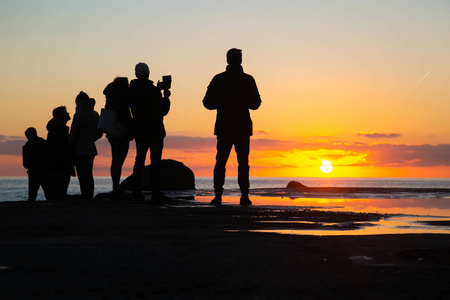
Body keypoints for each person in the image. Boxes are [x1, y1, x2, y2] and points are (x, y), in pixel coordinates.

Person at [202, 48, 261, 205]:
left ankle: (218, 195)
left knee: (221, 161)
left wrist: (222, 101)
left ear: (227, 60)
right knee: (242, 162)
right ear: (240, 60)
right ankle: (244, 195)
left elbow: (207, 103)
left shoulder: (219, 79)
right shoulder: (247, 80)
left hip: (224, 127)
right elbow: (256, 104)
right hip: (241, 127)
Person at [129, 62, 171, 201]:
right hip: (155, 130)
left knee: (139, 160)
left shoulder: (132, 90)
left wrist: (157, 90)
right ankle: (155, 192)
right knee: (155, 162)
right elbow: (163, 111)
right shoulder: (153, 91)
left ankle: (136, 191)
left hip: (140, 130)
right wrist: (166, 97)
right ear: (148, 73)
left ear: (136, 74)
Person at [103, 77, 133, 199]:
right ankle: (116, 188)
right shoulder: (123, 98)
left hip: (111, 131)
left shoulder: (110, 95)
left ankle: (115, 186)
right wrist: (131, 129)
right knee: (119, 160)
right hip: (122, 131)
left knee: (115, 158)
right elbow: (125, 115)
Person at [69, 92, 103, 199]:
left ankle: (85, 195)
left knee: (82, 174)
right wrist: (91, 139)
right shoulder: (95, 114)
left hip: (79, 149)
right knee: (89, 173)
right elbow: (99, 132)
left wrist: (70, 146)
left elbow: (74, 133)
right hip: (91, 147)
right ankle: (89, 195)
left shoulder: (78, 115)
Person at [47, 106, 74, 200]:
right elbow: (56, 149)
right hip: (59, 165)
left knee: (60, 189)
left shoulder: (59, 128)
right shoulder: (56, 129)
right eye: (64, 112)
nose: (67, 113)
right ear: (57, 115)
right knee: (58, 189)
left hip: (61, 164)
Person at [22, 127, 51, 201]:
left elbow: (25, 164)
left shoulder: (26, 147)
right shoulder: (44, 143)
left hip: (34, 172)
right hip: (45, 171)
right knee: (48, 192)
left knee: (32, 194)